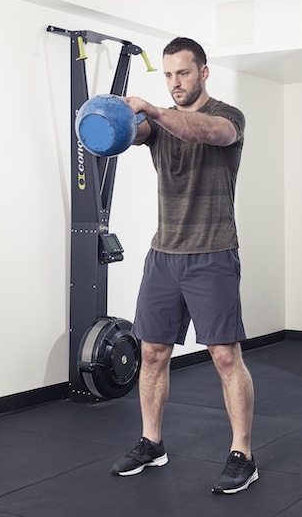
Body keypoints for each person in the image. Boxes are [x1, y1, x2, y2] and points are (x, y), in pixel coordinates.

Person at [110, 37, 257, 494]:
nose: (175, 83)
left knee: (224, 357)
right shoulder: (158, 126)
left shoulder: (228, 117)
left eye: (184, 74)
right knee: (151, 352)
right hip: (164, 256)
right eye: (169, 75)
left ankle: (243, 455)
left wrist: (151, 110)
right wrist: (112, 119)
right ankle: (151, 442)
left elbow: (202, 131)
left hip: (213, 253)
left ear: (204, 73)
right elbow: (130, 135)